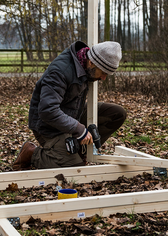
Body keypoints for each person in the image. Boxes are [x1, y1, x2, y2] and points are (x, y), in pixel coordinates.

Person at [12, 41, 127, 171]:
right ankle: (32, 153)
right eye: (103, 72)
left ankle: (79, 149)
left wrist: (78, 130)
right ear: (92, 63)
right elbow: (47, 110)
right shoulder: (60, 71)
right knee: (74, 168)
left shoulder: (85, 65)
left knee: (117, 114)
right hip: (47, 125)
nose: (103, 78)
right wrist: (78, 129)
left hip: (71, 114)